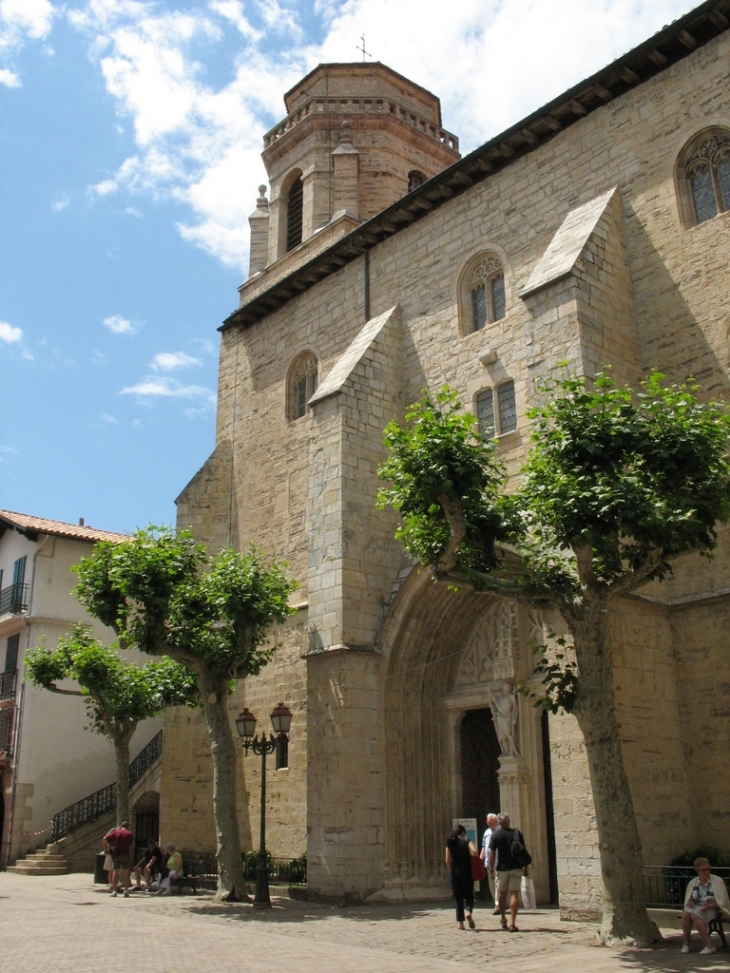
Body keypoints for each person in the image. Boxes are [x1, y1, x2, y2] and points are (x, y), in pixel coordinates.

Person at [488, 812, 529, 932]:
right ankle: (513, 923)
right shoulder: (517, 833)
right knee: (514, 894)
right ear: (509, 821)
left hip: (502, 868)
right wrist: (526, 867)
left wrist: (490, 869)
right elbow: (523, 852)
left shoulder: (496, 835)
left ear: (499, 823)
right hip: (516, 867)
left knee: (502, 894)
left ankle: (503, 918)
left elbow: (492, 854)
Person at [681, 857, 730, 955]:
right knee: (685, 914)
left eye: (708, 869)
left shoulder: (716, 881)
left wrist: (710, 905)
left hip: (712, 908)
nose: (706, 872)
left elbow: (722, 902)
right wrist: (690, 902)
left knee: (695, 915)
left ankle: (709, 945)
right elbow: (689, 900)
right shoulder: (693, 883)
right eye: (703, 870)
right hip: (696, 907)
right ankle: (686, 943)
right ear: (698, 871)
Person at [445, 824, 478, 930]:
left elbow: (447, 860)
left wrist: (452, 870)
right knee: (469, 895)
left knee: (458, 899)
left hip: (455, 873)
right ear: (462, 833)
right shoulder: (466, 840)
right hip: (467, 872)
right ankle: (468, 911)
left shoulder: (449, 843)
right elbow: (475, 852)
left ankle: (461, 924)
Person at [103, 820, 134, 898]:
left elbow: (104, 839)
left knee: (115, 873)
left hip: (116, 855)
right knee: (126, 874)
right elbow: (130, 845)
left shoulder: (115, 833)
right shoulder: (129, 834)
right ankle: (126, 890)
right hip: (125, 854)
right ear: (127, 827)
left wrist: (110, 846)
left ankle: (114, 891)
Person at [480, 812, 500, 914]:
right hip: (488, 863)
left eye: (490, 822)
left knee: (498, 884)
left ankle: (498, 905)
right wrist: (480, 859)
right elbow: (484, 847)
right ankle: (497, 903)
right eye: (488, 822)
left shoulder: (500, 831)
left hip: (498, 862)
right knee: (492, 884)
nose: (488, 824)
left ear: (496, 822)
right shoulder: (486, 832)